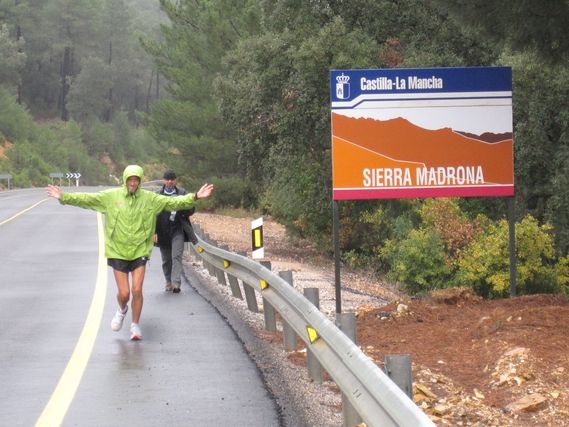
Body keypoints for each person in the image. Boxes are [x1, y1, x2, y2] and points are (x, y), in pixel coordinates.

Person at [46, 164, 214, 341]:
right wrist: (63, 197)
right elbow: (87, 199)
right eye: (130, 180)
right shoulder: (111, 196)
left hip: (140, 249)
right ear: (125, 180)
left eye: (136, 180)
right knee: (124, 293)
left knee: (137, 290)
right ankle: (122, 309)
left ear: (140, 181)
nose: (133, 183)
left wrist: (195, 196)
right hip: (117, 250)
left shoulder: (150, 199)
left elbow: (174, 202)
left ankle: (135, 325)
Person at [153, 170, 199, 293]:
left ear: (175, 180)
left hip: (177, 230)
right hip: (162, 231)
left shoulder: (182, 193)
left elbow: (191, 210)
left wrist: (182, 207)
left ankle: (176, 283)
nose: (170, 182)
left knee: (176, 256)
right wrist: (153, 232)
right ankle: (168, 281)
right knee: (166, 260)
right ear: (163, 180)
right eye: (167, 179)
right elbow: (152, 214)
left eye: (172, 179)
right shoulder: (157, 195)